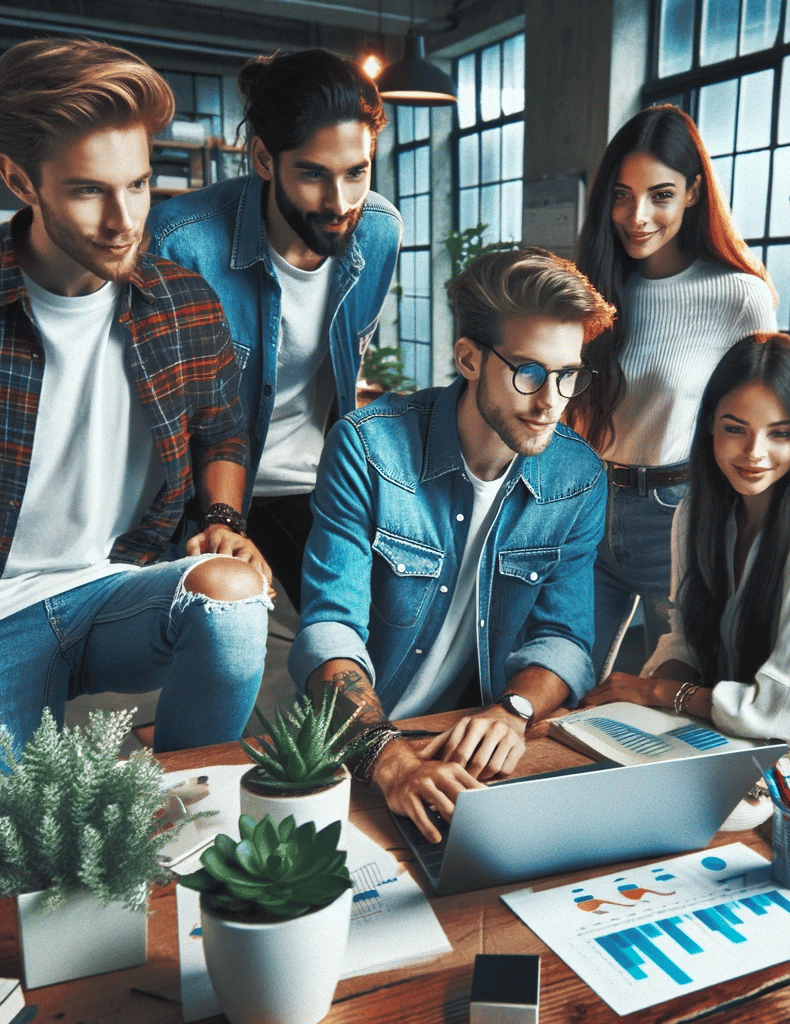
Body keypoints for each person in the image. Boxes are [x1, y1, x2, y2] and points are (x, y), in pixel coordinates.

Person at [0, 39, 272, 753]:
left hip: (113, 589)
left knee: (234, 599)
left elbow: (223, 432)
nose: (125, 220)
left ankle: (190, 800)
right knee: (25, 850)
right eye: (89, 190)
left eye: (139, 184)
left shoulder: (182, 303)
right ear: (20, 180)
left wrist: (220, 518)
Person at [289, 248, 615, 840]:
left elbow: (564, 639)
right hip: (362, 746)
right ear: (469, 358)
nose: (550, 402)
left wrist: (513, 710)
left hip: (479, 748)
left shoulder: (579, 477)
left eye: (569, 375)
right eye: (530, 372)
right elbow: (329, 630)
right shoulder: (368, 448)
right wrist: (387, 756)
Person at [148, 48, 402, 610]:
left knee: (376, 619)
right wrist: (218, 519)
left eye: (356, 173)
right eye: (313, 174)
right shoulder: (180, 242)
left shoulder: (378, 231)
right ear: (264, 158)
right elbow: (162, 410)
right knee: (218, 630)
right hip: (193, 490)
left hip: (306, 481)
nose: (340, 203)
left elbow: (342, 375)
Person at [569, 104, 777, 679]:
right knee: (564, 690)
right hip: (587, 505)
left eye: (660, 195)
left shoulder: (740, 297)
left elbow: (758, 423)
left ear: (692, 192)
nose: (636, 216)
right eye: (621, 194)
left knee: (679, 698)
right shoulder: (592, 287)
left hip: (679, 515)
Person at [581, 334, 790, 749]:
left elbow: (788, 715)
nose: (754, 453)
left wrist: (660, 694)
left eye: (779, 434)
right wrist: (636, 710)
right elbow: (686, 642)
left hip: (788, 761)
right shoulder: (694, 515)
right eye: (735, 429)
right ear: (710, 423)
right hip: (711, 739)